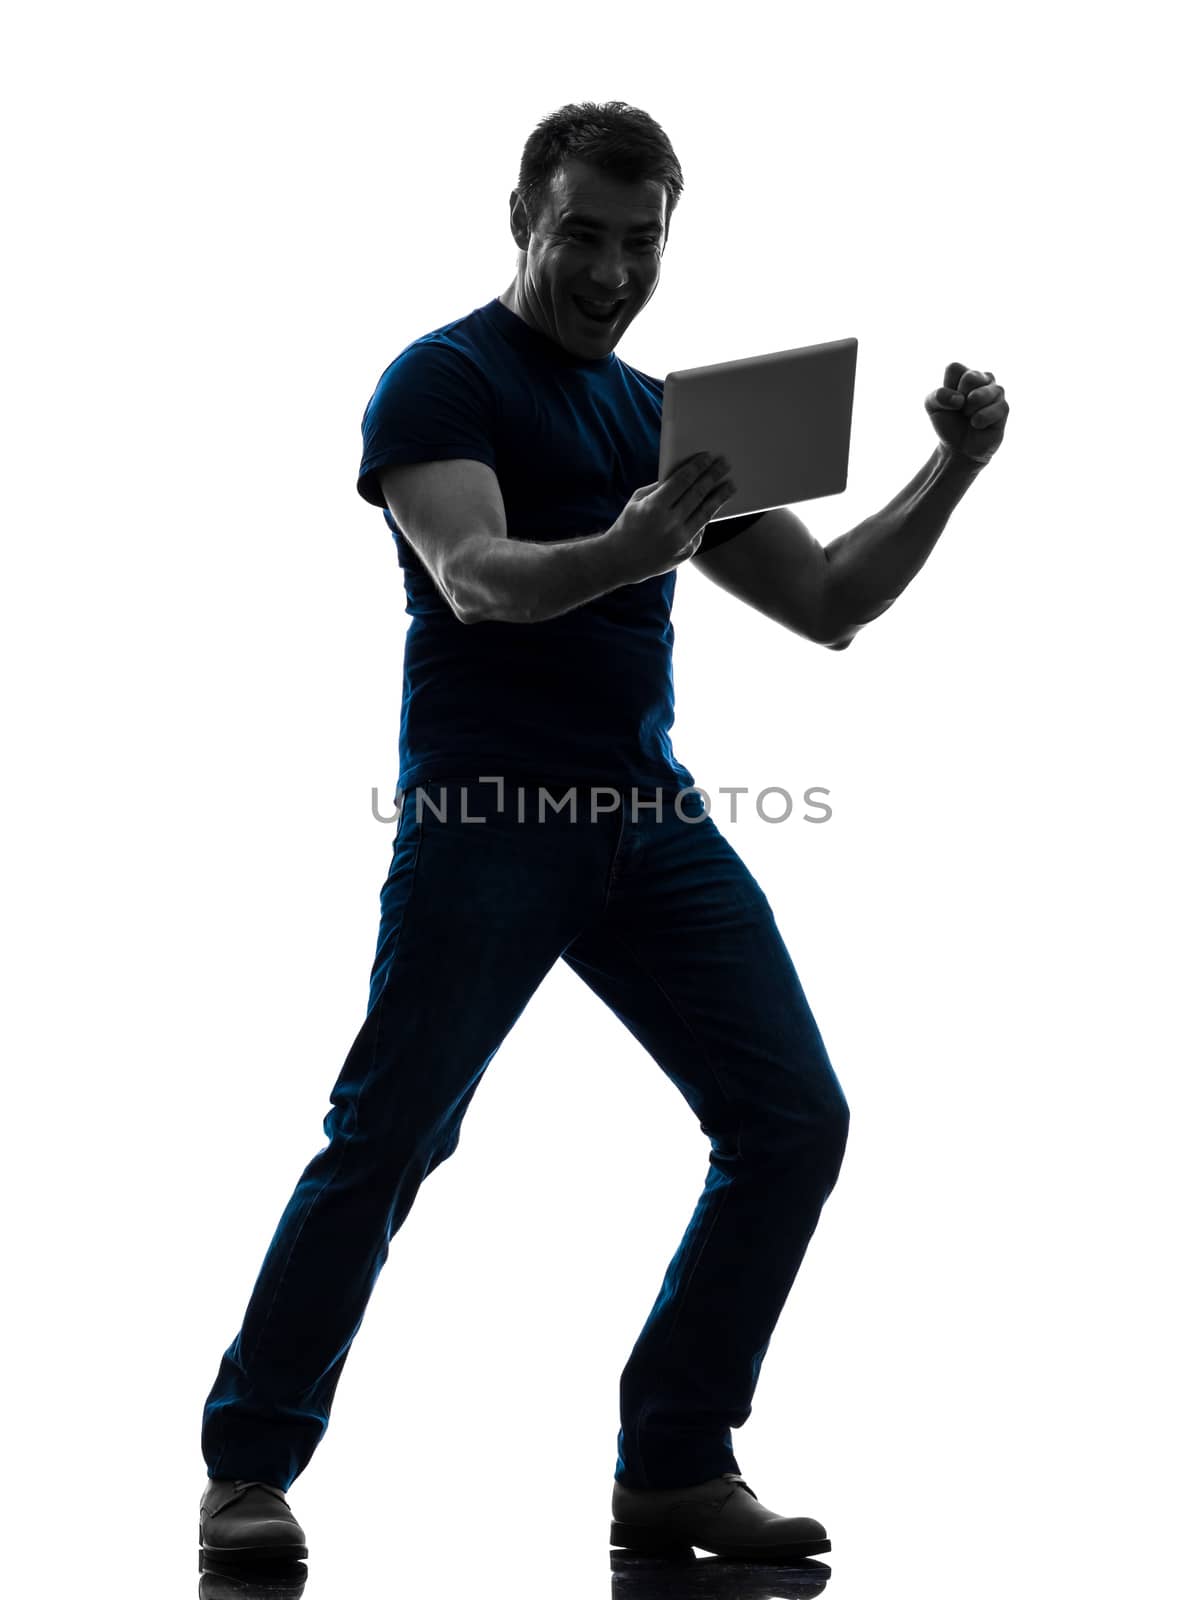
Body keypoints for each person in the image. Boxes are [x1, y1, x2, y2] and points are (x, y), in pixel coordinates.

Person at [199, 99, 1006, 1568]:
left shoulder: (666, 420)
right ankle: (247, 1468)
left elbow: (830, 605)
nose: (614, 271)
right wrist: (632, 549)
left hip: (647, 818)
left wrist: (951, 468)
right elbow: (478, 578)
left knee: (792, 1121)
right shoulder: (438, 382)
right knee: (392, 1134)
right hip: (490, 816)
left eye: (644, 242)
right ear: (522, 218)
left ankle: (677, 1467)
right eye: (586, 234)